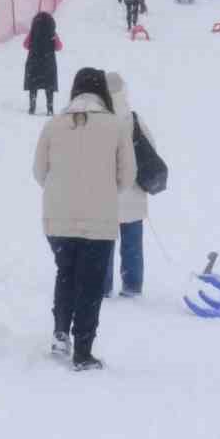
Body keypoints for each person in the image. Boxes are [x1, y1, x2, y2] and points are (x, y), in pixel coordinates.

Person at [32, 68, 136, 370]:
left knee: (65, 273)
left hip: (58, 220)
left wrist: (60, 191)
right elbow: (127, 177)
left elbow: (39, 172)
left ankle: (60, 334)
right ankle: (83, 350)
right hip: (99, 221)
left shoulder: (54, 124)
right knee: (90, 284)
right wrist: (104, 190)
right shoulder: (115, 126)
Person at [103, 72, 153, 299]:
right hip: (132, 193)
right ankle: (132, 287)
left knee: (103, 245)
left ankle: (102, 287)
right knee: (132, 245)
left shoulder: (98, 119)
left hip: (104, 195)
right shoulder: (133, 119)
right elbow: (150, 148)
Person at [21, 11, 62, 116]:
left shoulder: (33, 32)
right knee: (49, 86)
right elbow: (59, 47)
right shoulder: (52, 33)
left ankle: (32, 106)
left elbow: (25, 45)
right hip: (48, 63)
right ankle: (50, 107)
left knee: (33, 86)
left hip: (34, 62)